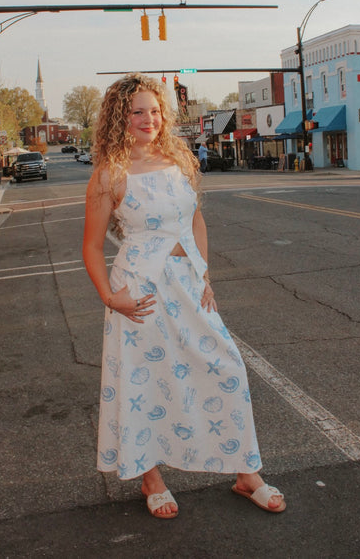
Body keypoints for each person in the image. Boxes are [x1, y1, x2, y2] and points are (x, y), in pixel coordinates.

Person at [83, 74, 285, 519]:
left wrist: (205, 277)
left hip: (188, 284)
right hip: (140, 294)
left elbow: (195, 222)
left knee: (225, 362)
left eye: (154, 110)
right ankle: (150, 478)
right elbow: (91, 246)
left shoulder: (179, 159)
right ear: (120, 117)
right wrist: (109, 297)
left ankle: (245, 472)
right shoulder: (109, 173)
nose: (148, 119)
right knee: (146, 381)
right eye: (137, 111)